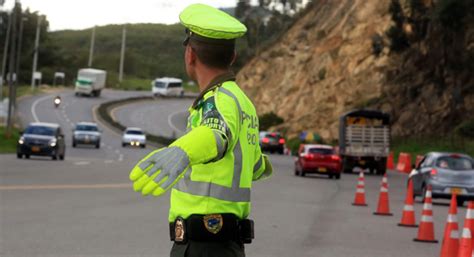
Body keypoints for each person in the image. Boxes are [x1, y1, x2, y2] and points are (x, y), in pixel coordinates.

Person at [129, 4, 273, 257]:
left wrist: (182, 150)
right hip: (225, 244)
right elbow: (252, 164)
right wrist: (260, 163)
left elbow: (216, 133)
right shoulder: (243, 103)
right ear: (232, 57)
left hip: (204, 244)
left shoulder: (217, 100)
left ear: (190, 55)